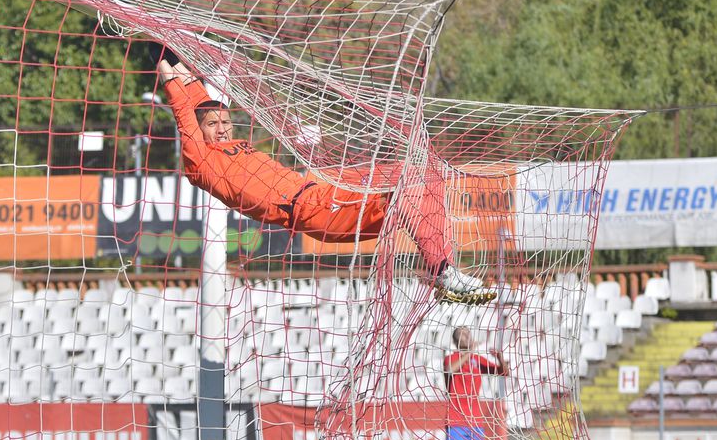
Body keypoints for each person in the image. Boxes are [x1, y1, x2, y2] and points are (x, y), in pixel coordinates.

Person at [155, 53, 493, 304]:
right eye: (212, 125)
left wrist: (190, 76)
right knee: (412, 183)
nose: (222, 127)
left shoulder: (231, 143)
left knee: (423, 176)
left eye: (225, 121)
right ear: (200, 133)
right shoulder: (201, 161)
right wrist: (163, 47)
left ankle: (443, 268)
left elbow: (195, 96)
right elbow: (184, 107)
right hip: (313, 210)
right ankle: (443, 272)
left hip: (323, 191)